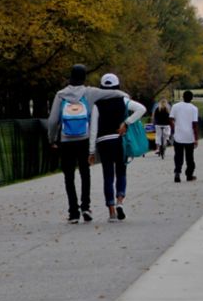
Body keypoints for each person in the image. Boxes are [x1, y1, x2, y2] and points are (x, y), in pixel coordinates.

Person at [46, 64, 126, 224]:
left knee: (69, 176)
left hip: (66, 139)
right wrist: (124, 94)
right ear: (84, 77)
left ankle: (73, 212)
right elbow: (113, 93)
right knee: (85, 173)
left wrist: (52, 139)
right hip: (84, 138)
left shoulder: (61, 95)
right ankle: (86, 207)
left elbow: (53, 120)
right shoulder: (90, 92)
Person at [88, 73, 146, 222]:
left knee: (108, 176)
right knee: (121, 171)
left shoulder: (97, 104)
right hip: (119, 140)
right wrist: (126, 122)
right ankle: (120, 200)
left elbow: (93, 128)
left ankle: (111, 211)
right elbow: (141, 109)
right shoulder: (123, 100)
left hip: (103, 141)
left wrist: (91, 151)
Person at [169, 90, 200, 182]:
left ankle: (177, 173)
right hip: (189, 136)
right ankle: (189, 175)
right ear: (192, 98)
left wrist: (174, 127)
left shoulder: (175, 106)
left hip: (178, 135)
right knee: (189, 157)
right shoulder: (194, 108)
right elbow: (194, 125)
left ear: (183, 97)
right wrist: (196, 138)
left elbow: (170, 119)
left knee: (178, 156)